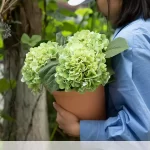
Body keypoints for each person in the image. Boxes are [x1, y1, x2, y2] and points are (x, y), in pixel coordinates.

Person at [53, 0, 150, 141]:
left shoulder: (131, 42)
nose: (96, 4)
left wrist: (80, 129)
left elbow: (142, 133)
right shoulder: (143, 29)